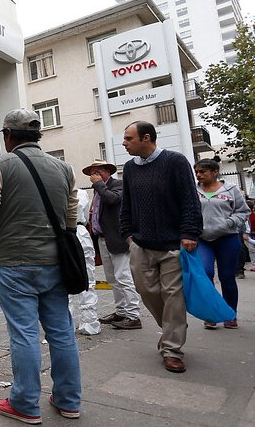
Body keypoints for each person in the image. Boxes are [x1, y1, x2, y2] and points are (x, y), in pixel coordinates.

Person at [0, 108, 81, 423]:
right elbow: (72, 213)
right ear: (38, 136)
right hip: (55, 263)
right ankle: (68, 400)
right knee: (62, 331)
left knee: (24, 333)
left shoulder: (0, 165)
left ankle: (23, 403)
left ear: (8, 135)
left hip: (14, 262)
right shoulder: (65, 169)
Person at [120, 121, 202, 374]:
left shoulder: (175, 162)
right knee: (148, 292)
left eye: (128, 138)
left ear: (146, 138)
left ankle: (172, 349)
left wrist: (189, 232)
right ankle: (170, 331)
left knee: (173, 298)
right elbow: (127, 205)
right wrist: (128, 236)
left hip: (172, 246)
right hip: (140, 245)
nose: (124, 143)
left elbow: (190, 199)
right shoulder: (130, 169)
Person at [83, 158, 142, 330]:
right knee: (112, 278)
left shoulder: (117, 185)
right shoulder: (98, 189)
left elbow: (112, 200)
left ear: (108, 171)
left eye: (98, 171)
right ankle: (121, 311)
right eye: (93, 172)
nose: (95, 175)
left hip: (117, 238)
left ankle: (133, 315)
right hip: (103, 239)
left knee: (123, 277)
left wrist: (99, 185)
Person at [194, 157, 250, 329]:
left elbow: (243, 212)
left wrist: (229, 223)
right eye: (196, 172)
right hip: (203, 240)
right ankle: (211, 313)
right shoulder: (193, 191)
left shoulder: (231, 189)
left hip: (228, 238)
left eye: (202, 172)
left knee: (227, 277)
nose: (198, 175)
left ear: (215, 172)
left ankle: (229, 314)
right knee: (206, 273)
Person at [71, 188, 100, 335]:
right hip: (81, 232)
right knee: (88, 278)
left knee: (65, 280)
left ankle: (66, 324)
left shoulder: (55, 190)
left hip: (67, 233)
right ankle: (90, 322)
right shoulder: (82, 193)